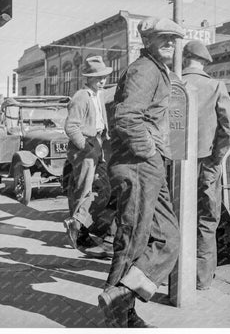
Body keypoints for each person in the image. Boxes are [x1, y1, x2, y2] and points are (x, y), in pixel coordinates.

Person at [98, 17, 185, 328]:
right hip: (138, 163)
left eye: (174, 40)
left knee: (169, 238)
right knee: (132, 240)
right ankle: (119, 316)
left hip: (149, 164)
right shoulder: (144, 69)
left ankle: (119, 297)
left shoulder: (155, 69)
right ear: (147, 40)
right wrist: (148, 150)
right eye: (163, 38)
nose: (170, 44)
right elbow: (125, 117)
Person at [182, 40, 230, 291]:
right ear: (204, 62)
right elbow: (228, 131)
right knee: (206, 219)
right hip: (206, 163)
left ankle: (174, 275)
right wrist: (216, 160)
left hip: (175, 165)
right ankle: (201, 279)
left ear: (185, 60)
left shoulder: (172, 83)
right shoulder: (216, 86)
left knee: (175, 217)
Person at [63, 55, 114, 258]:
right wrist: (86, 147)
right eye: (98, 77)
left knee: (103, 189)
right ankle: (79, 233)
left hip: (98, 144)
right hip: (86, 147)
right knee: (84, 189)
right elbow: (71, 126)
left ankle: (77, 223)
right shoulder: (81, 97)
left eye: (103, 77)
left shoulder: (97, 95)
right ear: (89, 78)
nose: (102, 81)